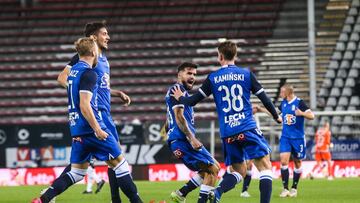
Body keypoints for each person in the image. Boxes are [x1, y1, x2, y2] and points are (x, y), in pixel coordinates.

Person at [31, 37, 142, 203]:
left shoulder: (74, 72)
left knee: (76, 173)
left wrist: (116, 93)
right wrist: (97, 128)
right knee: (121, 165)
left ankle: (43, 199)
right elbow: (84, 104)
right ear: (92, 52)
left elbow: (81, 94)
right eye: (97, 51)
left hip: (77, 130)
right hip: (91, 129)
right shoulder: (89, 73)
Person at [171, 41, 281, 203]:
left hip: (228, 132)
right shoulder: (246, 74)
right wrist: (276, 116)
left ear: (220, 56)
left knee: (239, 170)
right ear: (235, 55)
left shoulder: (213, 78)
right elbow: (264, 99)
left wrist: (181, 98)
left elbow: (193, 101)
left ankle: (217, 192)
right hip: (246, 127)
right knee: (265, 167)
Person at [56, 21, 130, 203]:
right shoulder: (85, 57)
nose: (108, 37)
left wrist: (116, 92)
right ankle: (116, 200)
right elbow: (62, 78)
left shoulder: (103, 59)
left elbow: (98, 87)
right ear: (93, 37)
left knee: (84, 164)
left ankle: (49, 193)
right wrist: (77, 94)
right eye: (104, 34)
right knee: (115, 158)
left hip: (105, 111)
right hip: (96, 114)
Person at [165, 62, 220, 203]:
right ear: (179, 74)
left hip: (178, 140)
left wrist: (170, 138)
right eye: (189, 73)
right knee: (212, 169)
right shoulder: (178, 89)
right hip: (183, 140)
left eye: (194, 74)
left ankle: (181, 193)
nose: (192, 77)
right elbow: (179, 116)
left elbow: (169, 120)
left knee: (211, 168)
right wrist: (191, 138)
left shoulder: (180, 92)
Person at [278, 84, 315, 198]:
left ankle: (294, 188)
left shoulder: (300, 103)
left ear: (288, 93)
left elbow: (312, 116)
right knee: (284, 161)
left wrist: (302, 113)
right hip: (285, 137)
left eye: (282, 92)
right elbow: (279, 117)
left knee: (297, 162)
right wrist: (263, 110)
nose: (280, 94)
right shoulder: (283, 103)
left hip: (298, 139)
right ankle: (285, 189)